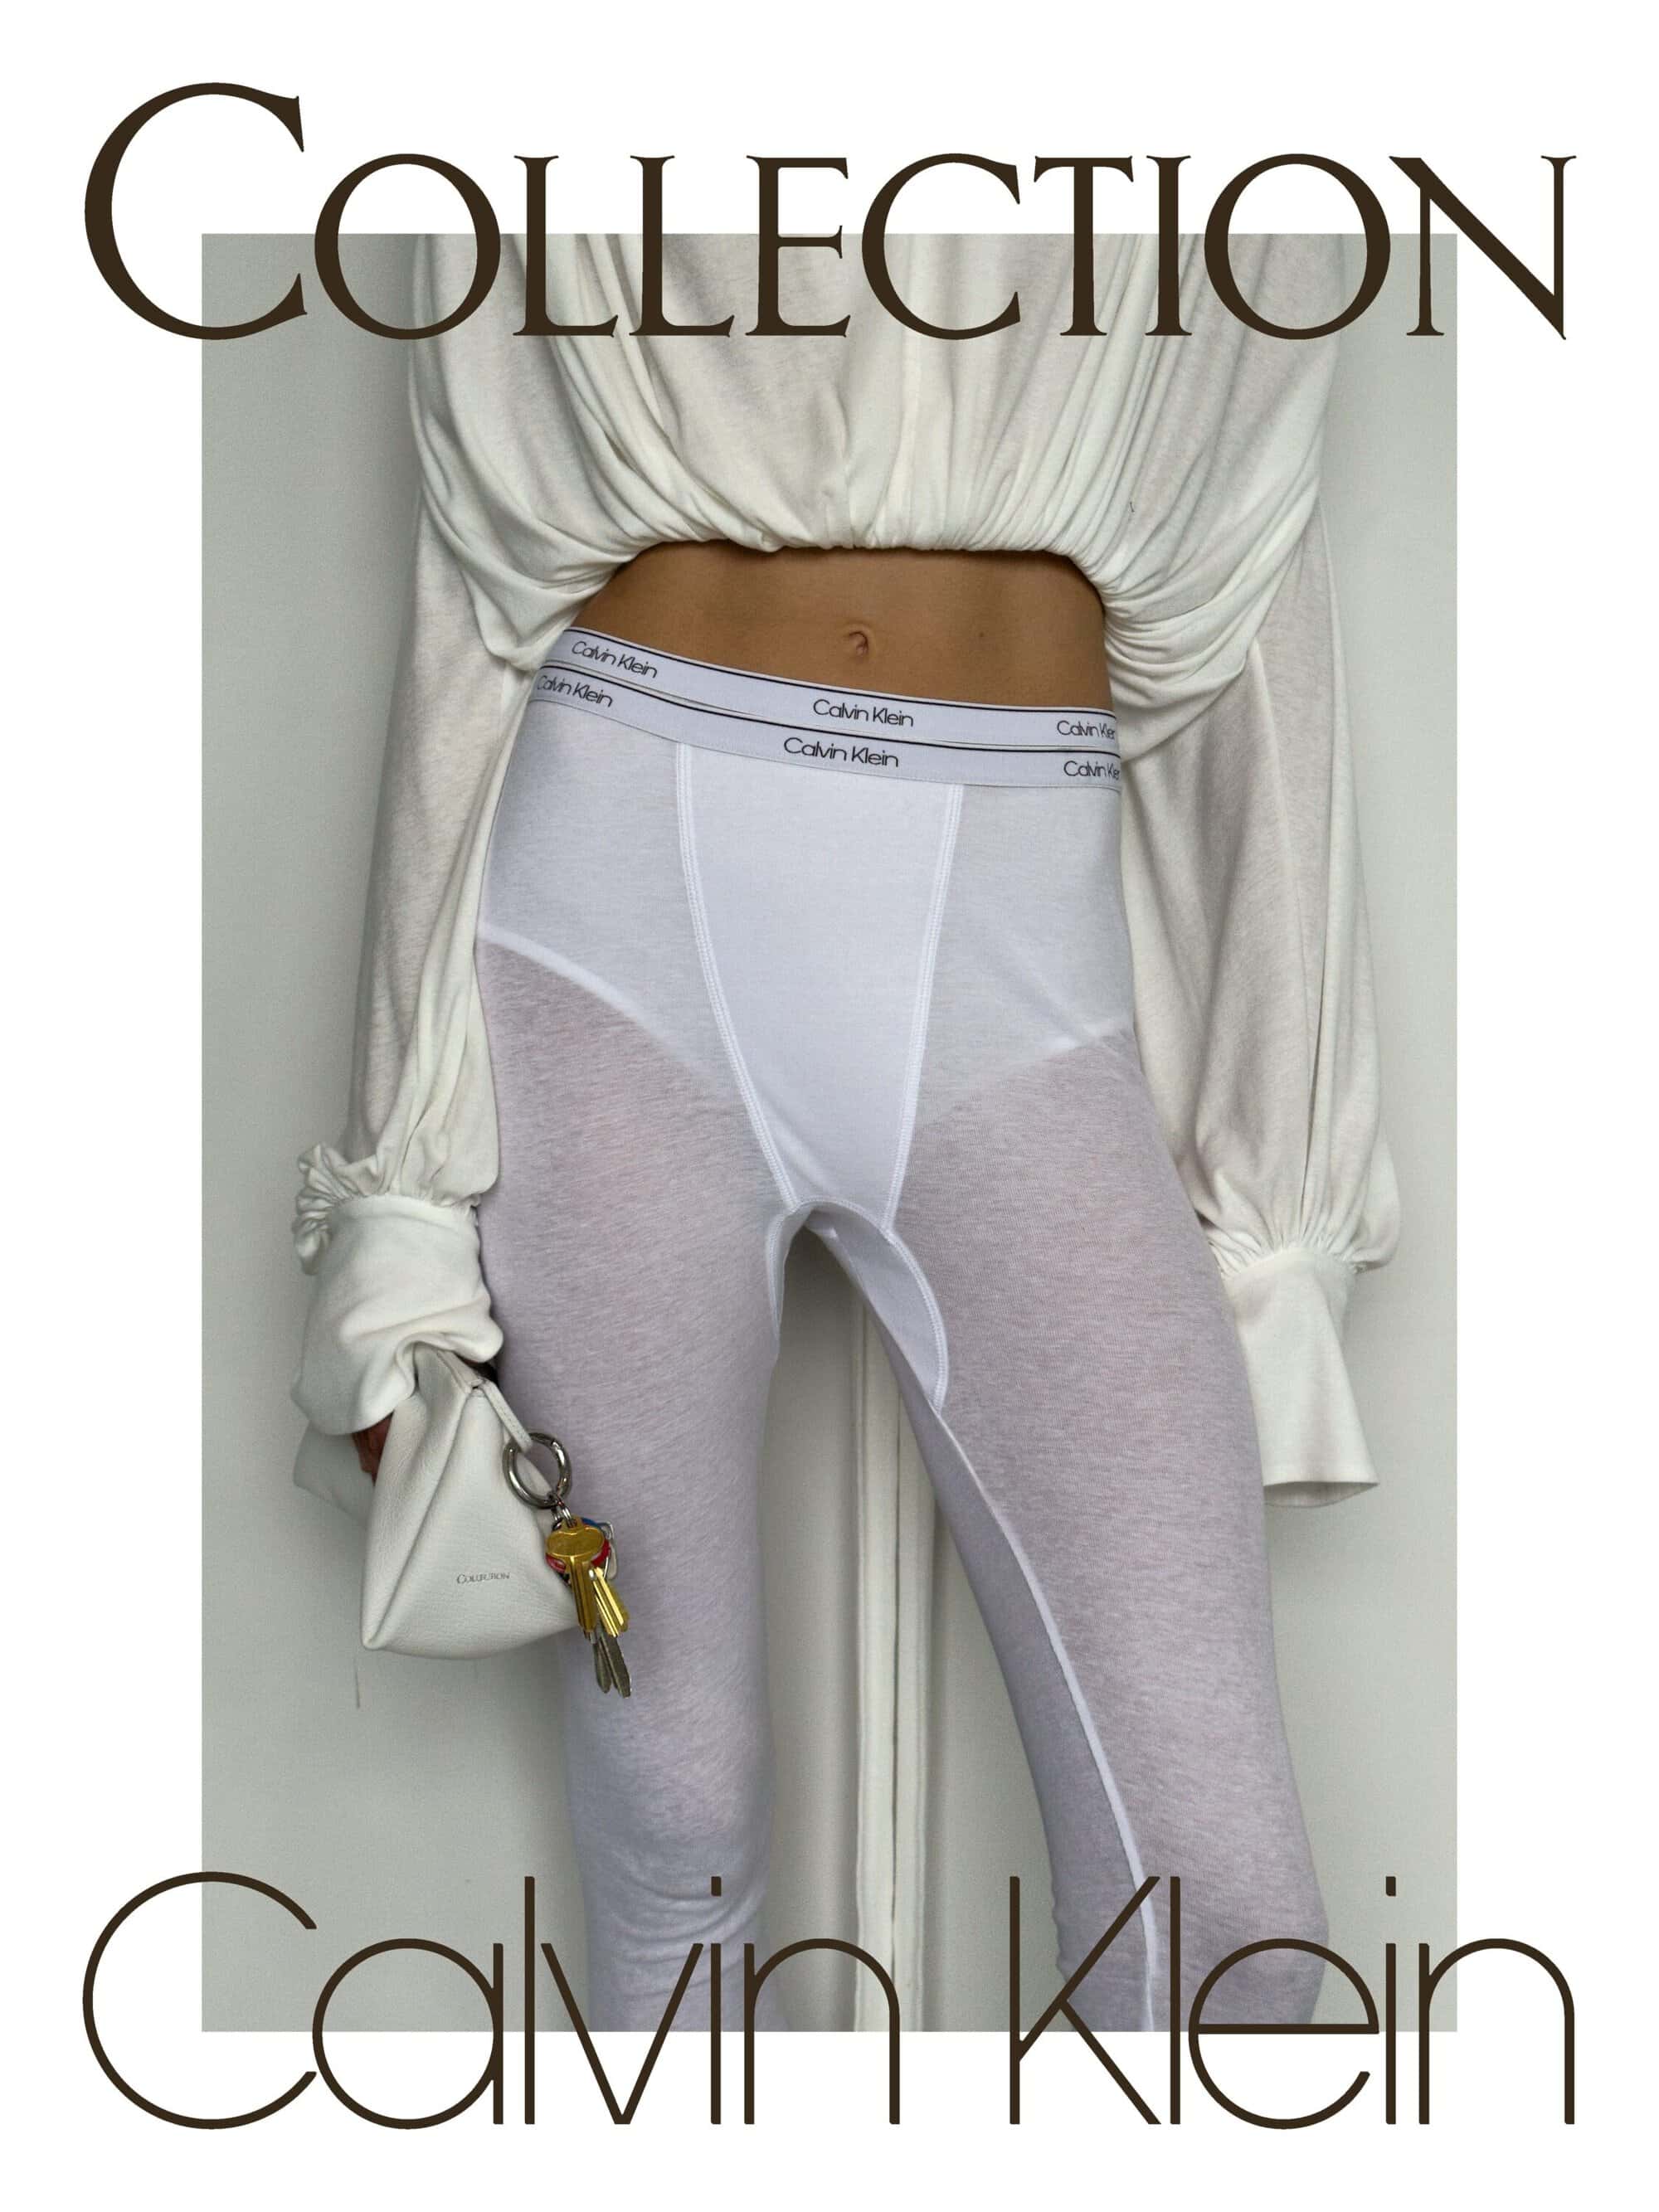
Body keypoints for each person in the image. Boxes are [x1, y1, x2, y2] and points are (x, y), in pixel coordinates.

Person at [290, 229, 1400, 2032]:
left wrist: (1273, 1197)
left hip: (1017, 947)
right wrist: (396, 1202)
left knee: (1227, 1914)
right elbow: (471, 575)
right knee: (677, 1815)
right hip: (613, 910)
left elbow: (1257, 578)